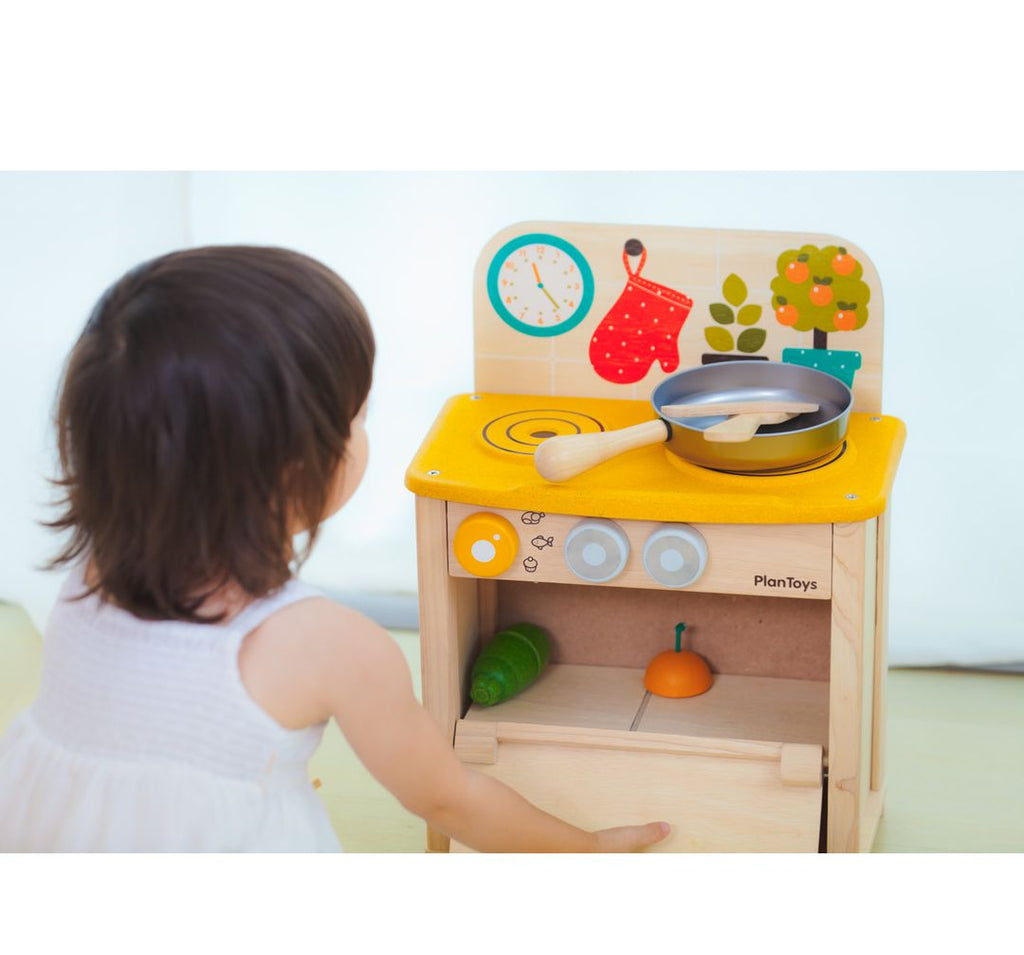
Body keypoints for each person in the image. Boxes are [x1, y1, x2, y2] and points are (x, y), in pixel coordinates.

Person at [0, 245, 671, 853]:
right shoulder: (333, 646)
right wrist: (584, 850)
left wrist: (235, 791)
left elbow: (150, 736)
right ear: (295, 471)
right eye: (354, 416)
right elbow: (446, 798)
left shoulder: (88, 574)